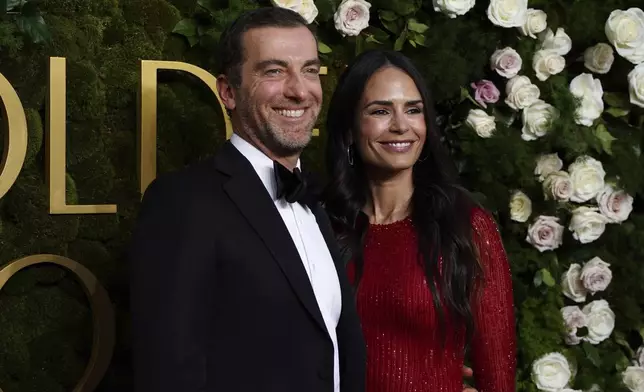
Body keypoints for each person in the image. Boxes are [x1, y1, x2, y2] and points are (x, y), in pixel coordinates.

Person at [128, 7, 366, 392]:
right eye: (274, 71)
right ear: (228, 91)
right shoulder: (182, 202)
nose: (299, 90)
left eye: (309, 70)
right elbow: (167, 371)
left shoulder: (316, 200)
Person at [323, 49, 517, 392]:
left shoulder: (465, 225)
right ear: (350, 129)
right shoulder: (322, 225)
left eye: (413, 110)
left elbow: (498, 377)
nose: (400, 125)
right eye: (380, 111)